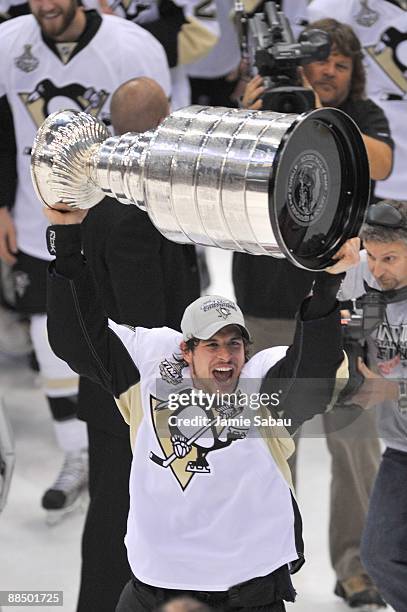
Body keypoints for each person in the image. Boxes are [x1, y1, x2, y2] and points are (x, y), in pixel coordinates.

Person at [43, 185, 358, 610]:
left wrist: (327, 284)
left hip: (249, 595)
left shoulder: (262, 388)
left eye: (234, 344)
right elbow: (77, 337)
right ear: (186, 351)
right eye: (211, 345)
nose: (226, 356)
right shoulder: (151, 371)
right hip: (157, 590)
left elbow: (314, 371)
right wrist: (65, 239)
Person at [232, 17, 393, 609]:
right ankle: (270, 563)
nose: (328, 72)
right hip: (267, 303)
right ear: (294, 65)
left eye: (342, 65)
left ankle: (359, 567)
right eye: (318, 61)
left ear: (355, 74)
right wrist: (259, 113)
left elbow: (378, 164)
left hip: (349, 306)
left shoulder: (363, 119)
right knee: (272, 442)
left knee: (358, 446)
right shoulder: (266, 107)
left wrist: (322, 117)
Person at [0, 0, 171, 520]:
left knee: (122, 332)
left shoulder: (132, 46)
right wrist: (3, 202)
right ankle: (74, 451)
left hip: (123, 221)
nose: (46, 5)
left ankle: (127, 443)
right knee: (47, 330)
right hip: (41, 215)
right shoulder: (9, 42)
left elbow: (161, 128)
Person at [76, 76, 200, 612]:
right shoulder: (135, 216)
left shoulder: (107, 198)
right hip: (129, 393)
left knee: (116, 508)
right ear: (157, 127)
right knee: (118, 514)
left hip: (109, 385)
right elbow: (145, 322)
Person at [337, 199, 407, 612]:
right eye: (373, 256)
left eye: (391, 258)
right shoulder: (364, 275)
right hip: (399, 450)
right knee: (380, 556)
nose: (378, 270)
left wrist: (391, 392)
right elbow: (327, 293)